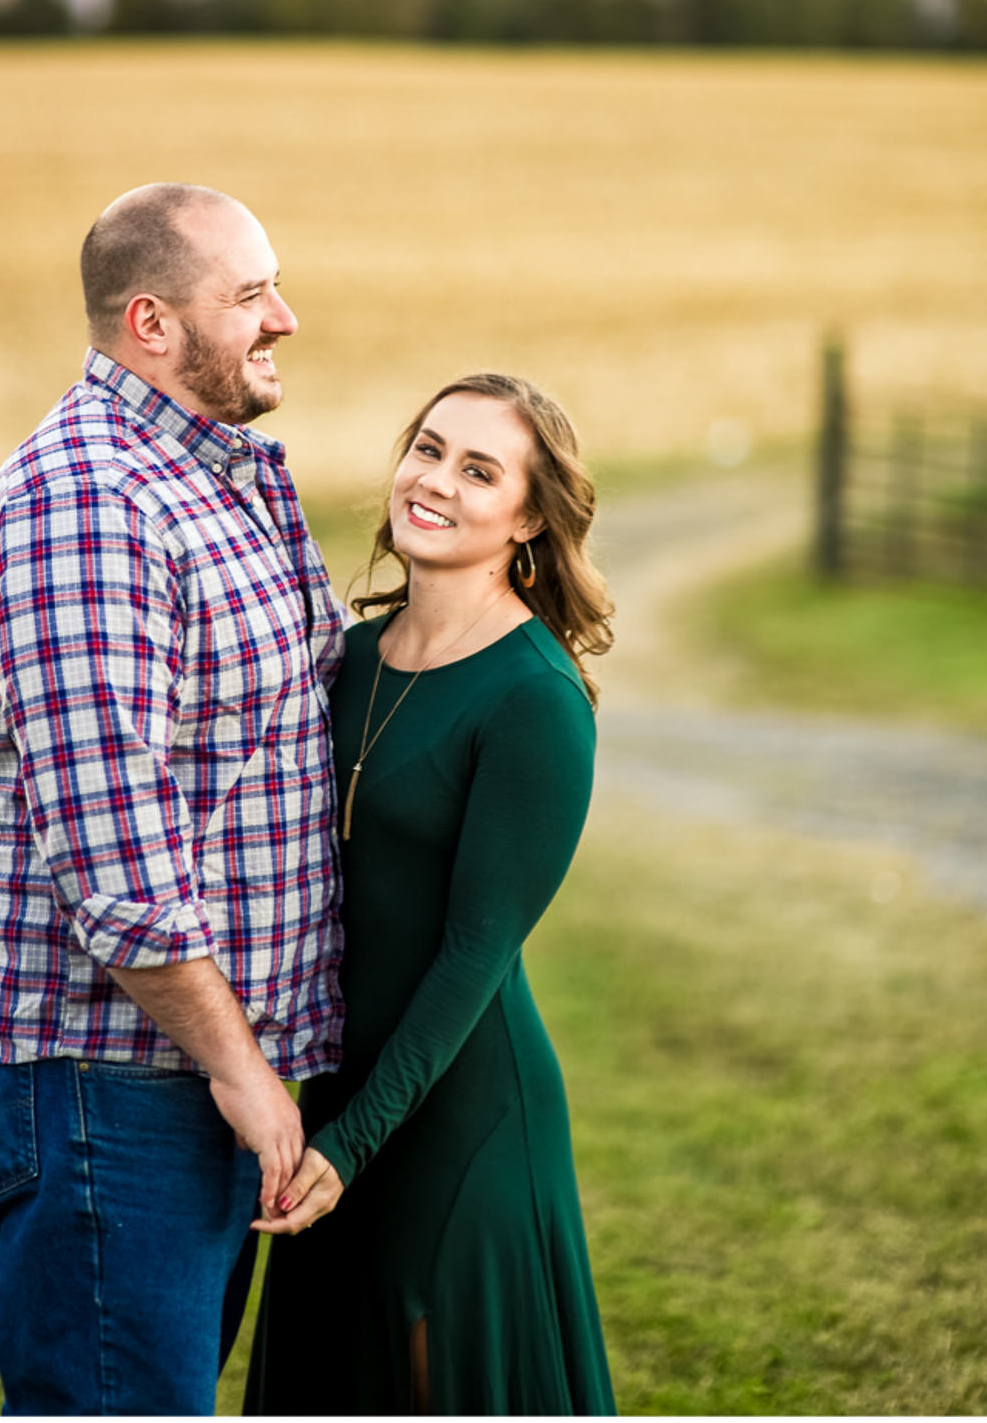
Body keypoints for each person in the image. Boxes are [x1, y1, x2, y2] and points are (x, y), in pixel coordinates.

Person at [0, 182, 345, 1412]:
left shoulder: (207, 477)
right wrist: (239, 1067)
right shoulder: (87, 507)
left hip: (185, 1070)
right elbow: (118, 859)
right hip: (109, 1077)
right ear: (153, 322)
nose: (285, 316)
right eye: (251, 293)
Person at [241, 373, 620, 1414]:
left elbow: (474, 951)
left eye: (479, 468)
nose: (435, 480)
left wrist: (351, 1142)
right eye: (427, 447)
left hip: (455, 1113)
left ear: (530, 517)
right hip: (328, 1095)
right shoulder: (346, 658)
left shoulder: (536, 700)